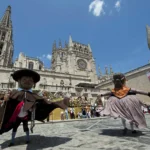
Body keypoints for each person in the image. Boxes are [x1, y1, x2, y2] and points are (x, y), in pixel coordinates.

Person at [0, 69, 70, 146]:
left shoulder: (34, 95)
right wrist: (6, 99)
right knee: (15, 128)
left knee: (26, 128)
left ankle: (27, 139)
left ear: (33, 83)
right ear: (19, 81)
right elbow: (7, 103)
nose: (27, 81)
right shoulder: (15, 93)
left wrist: (60, 103)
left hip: (25, 116)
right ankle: (12, 141)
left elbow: (45, 102)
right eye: (24, 79)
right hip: (17, 116)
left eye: (30, 80)